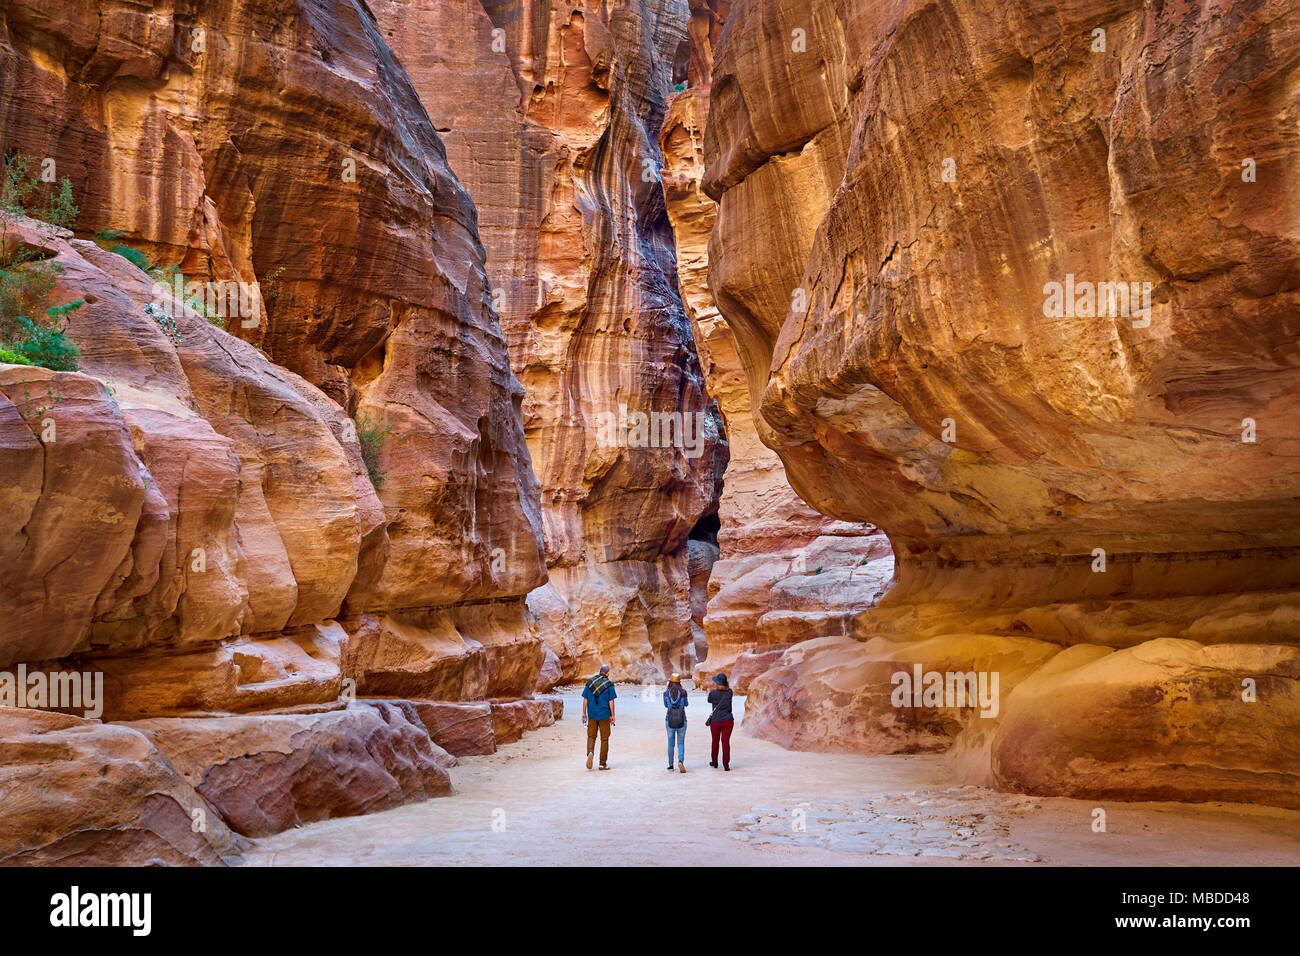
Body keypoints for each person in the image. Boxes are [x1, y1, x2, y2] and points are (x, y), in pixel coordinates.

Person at [582, 664, 617, 770]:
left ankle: (590, 753)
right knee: (604, 739)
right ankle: (602, 763)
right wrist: (613, 715)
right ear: (607, 673)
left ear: (600, 671)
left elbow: (585, 699)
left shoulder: (590, 682)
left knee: (591, 736)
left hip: (592, 714)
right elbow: (611, 701)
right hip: (604, 715)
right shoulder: (609, 684)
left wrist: (584, 714)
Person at [707, 672, 734, 770]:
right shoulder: (730, 692)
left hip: (716, 721)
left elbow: (709, 700)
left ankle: (714, 762)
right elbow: (727, 690)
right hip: (728, 720)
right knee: (726, 742)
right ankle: (726, 765)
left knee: (715, 741)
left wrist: (711, 691)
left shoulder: (713, 693)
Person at [663, 673, 688, 773]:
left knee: (670, 744)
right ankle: (680, 761)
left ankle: (670, 765)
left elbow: (665, 705)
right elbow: (686, 704)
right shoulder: (683, 692)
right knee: (681, 742)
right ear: (679, 682)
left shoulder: (666, 693)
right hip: (682, 719)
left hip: (670, 720)